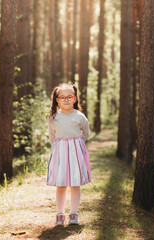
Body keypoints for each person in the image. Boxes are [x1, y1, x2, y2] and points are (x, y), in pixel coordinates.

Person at [46, 83, 91, 226]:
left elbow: (85, 133)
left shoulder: (80, 116)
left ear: (75, 98)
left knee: (75, 184)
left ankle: (74, 213)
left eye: (69, 97)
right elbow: (52, 137)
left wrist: (76, 144)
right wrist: (61, 146)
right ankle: (60, 214)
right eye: (62, 97)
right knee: (61, 184)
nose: (66, 100)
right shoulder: (53, 118)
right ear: (57, 100)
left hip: (75, 153)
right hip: (60, 153)